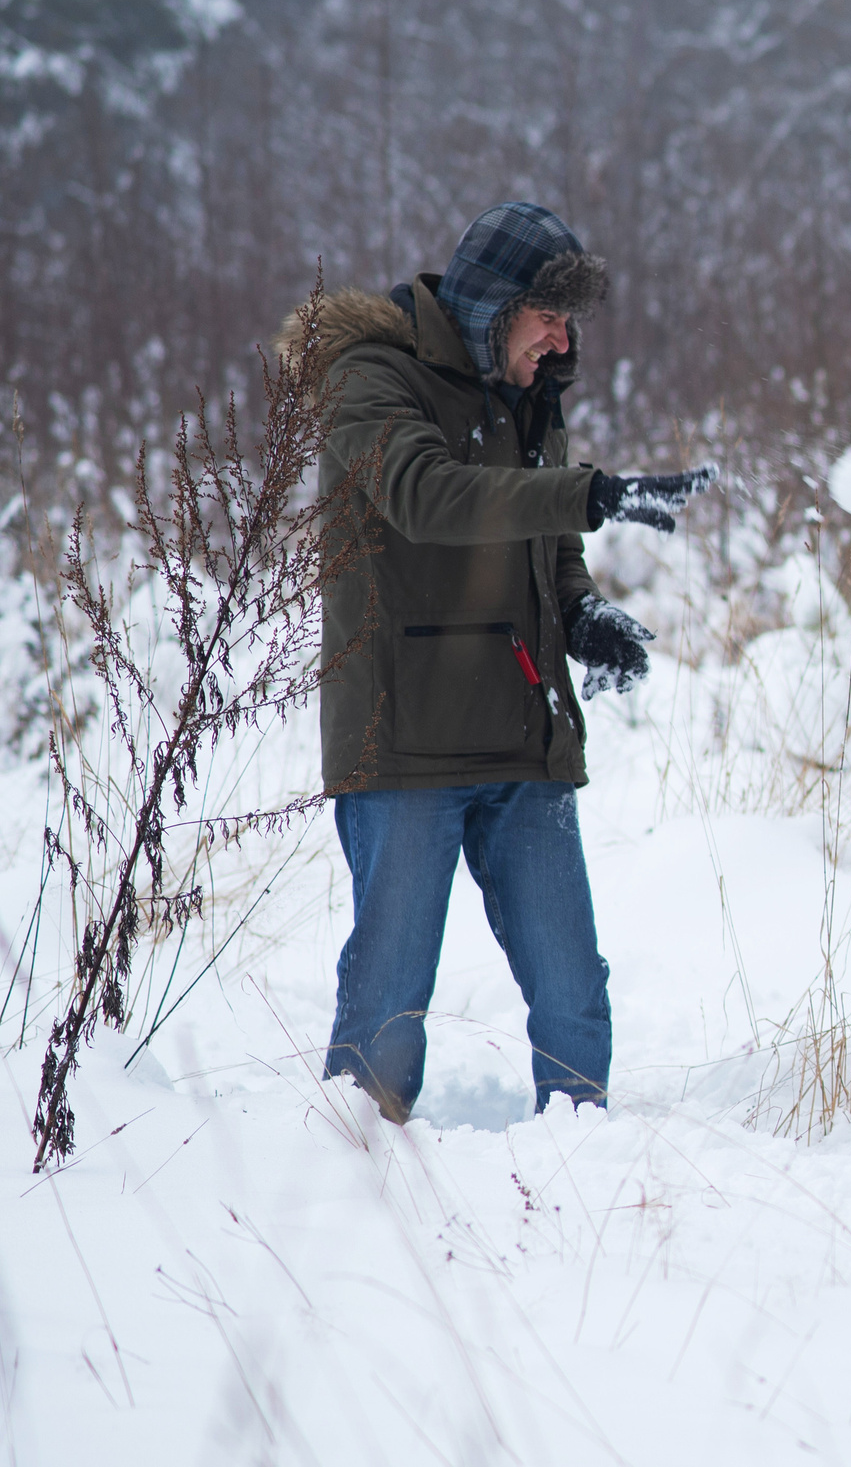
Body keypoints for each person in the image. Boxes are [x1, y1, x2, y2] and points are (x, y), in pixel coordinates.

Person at [278, 202, 719, 1124]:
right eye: (546, 315)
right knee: (388, 1005)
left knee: (574, 994)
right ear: (491, 306)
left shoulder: (532, 394)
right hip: (405, 742)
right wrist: (591, 492)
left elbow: (541, 541)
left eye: (571, 322)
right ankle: (349, 1190)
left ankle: (582, 1175)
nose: (562, 341)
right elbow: (428, 496)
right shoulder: (373, 379)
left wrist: (583, 613)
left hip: (521, 732)